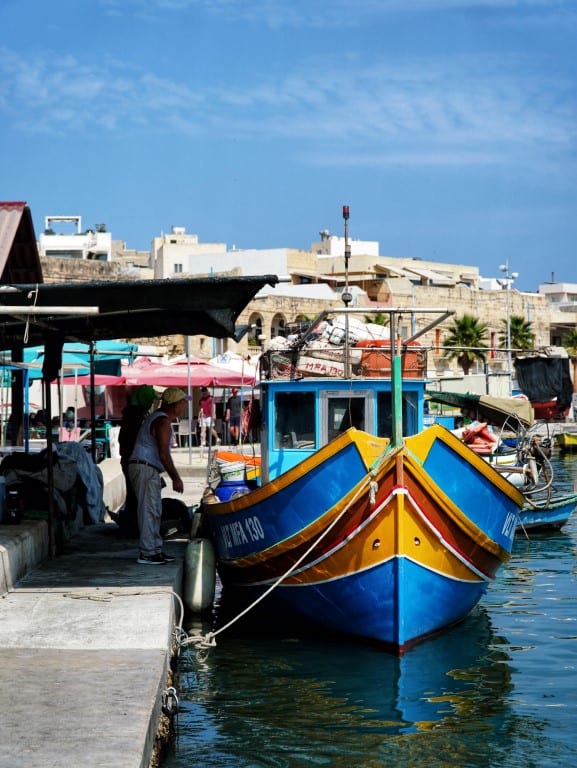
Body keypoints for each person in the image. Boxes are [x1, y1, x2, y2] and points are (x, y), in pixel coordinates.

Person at [129, 386, 189, 565]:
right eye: (182, 403)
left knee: (154, 509)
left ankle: (154, 549)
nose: (184, 407)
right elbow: (164, 453)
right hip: (145, 467)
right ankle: (148, 552)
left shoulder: (161, 419)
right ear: (174, 405)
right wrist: (175, 478)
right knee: (149, 509)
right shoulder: (162, 422)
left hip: (147, 468)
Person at [115, 385, 158, 537]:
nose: (152, 403)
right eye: (151, 400)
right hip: (133, 460)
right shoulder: (135, 415)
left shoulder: (134, 413)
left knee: (134, 495)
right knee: (136, 497)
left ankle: (132, 526)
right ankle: (133, 528)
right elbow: (130, 440)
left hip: (129, 459)